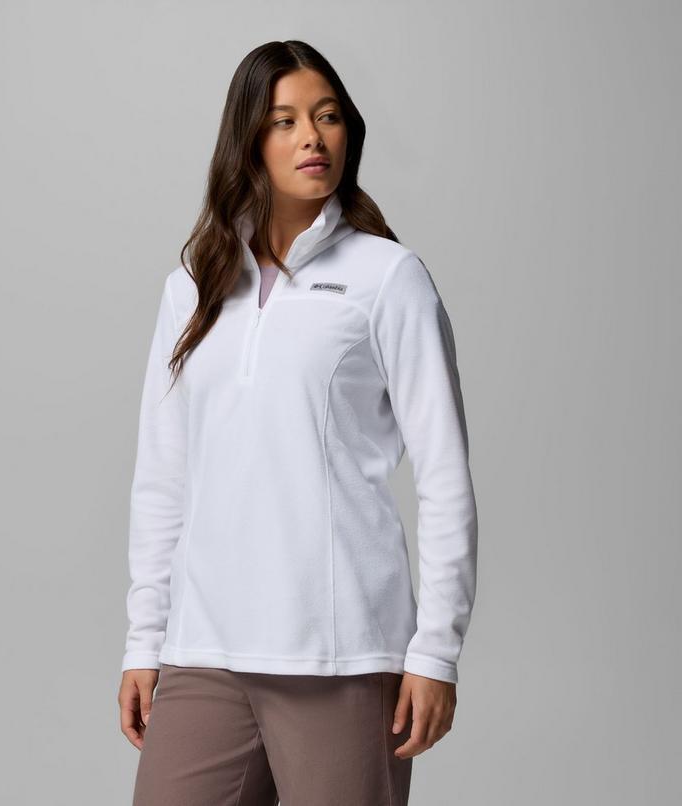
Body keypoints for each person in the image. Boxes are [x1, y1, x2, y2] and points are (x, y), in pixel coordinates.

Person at [117, 39, 479, 806]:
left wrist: (435, 652)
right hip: (205, 648)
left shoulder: (389, 278)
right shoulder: (193, 287)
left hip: (341, 655)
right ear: (248, 140)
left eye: (328, 116)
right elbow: (164, 477)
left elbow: (445, 475)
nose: (312, 137)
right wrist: (145, 640)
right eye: (284, 121)